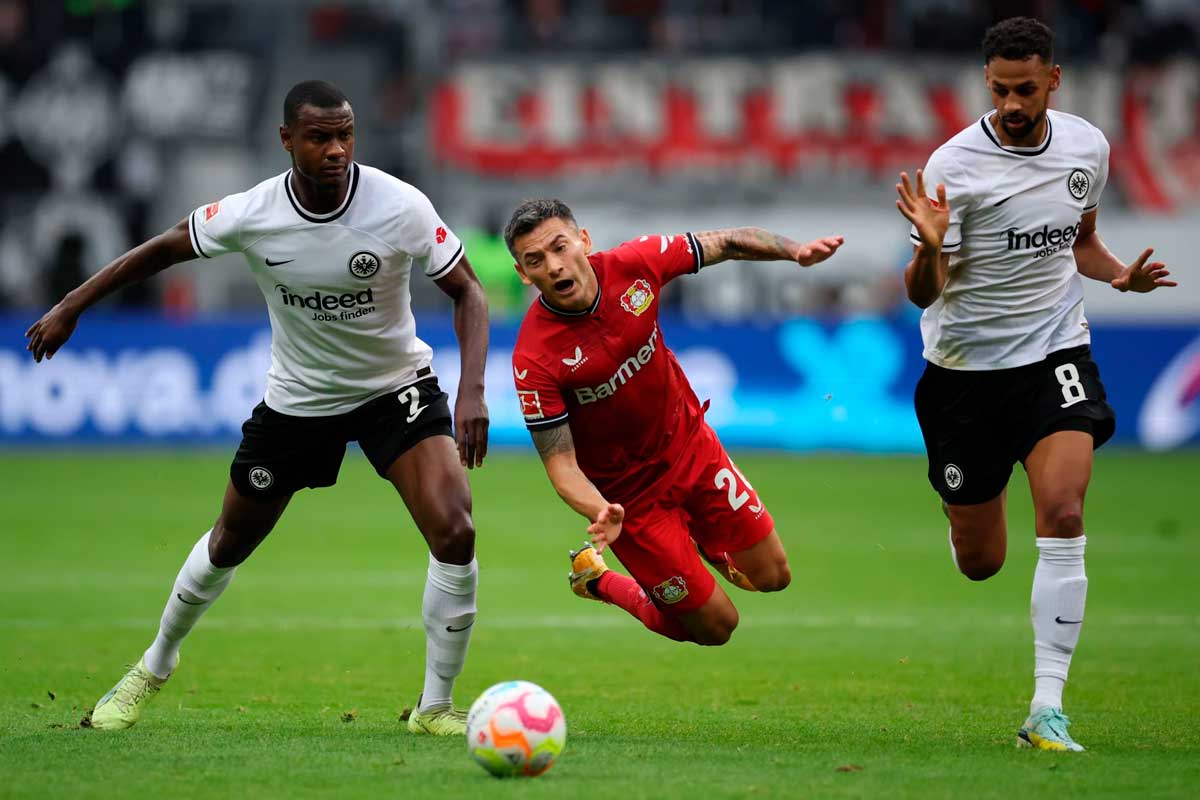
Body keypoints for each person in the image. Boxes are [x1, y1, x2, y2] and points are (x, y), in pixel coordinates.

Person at [24, 80, 491, 736]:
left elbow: (469, 292)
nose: (337, 150)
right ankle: (153, 666)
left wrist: (471, 391)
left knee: (456, 530)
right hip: (299, 400)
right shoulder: (251, 212)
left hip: (394, 388)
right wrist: (71, 305)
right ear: (286, 140)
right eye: (320, 138)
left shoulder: (399, 205)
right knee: (229, 542)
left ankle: (435, 706)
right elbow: (162, 249)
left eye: (345, 135)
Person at [894, 18, 1176, 752]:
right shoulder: (955, 165)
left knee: (1064, 510)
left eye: (1025, 89)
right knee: (981, 561)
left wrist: (1120, 275)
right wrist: (928, 249)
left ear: (1053, 79)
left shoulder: (1087, 148)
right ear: (986, 84)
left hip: (1055, 355)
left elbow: (1079, 241)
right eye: (999, 90)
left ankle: (1046, 709)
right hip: (964, 375)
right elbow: (923, 293)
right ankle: (961, 513)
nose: (1012, 104)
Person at [506, 198, 843, 646]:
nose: (553, 266)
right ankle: (599, 581)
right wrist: (600, 510)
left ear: (583, 241)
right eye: (535, 260)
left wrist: (794, 251)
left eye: (559, 247)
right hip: (631, 502)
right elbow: (561, 466)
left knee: (774, 576)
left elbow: (727, 242)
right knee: (717, 628)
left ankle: (703, 539)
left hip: (692, 450)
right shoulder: (534, 358)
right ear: (523, 274)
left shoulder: (635, 263)